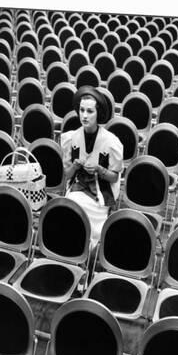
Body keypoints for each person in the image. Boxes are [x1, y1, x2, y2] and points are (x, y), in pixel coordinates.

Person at [61, 85, 124, 246]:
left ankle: (86, 248)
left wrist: (100, 169)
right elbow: (66, 175)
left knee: (80, 207)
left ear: (98, 114)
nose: (84, 116)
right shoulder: (71, 138)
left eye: (90, 111)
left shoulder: (111, 142)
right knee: (71, 204)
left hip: (100, 193)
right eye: (82, 110)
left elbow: (115, 176)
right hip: (77, 187)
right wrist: (75, 167)